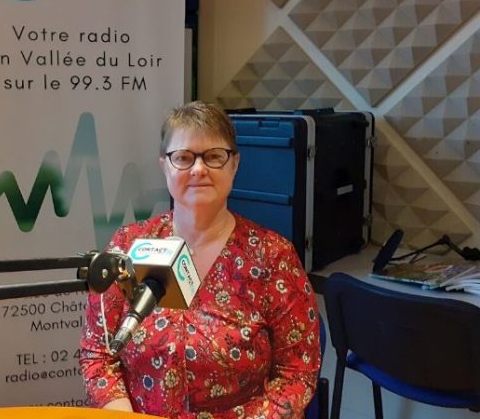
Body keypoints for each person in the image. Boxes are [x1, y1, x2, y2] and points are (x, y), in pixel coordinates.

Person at [79, 101, 321, 418]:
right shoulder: (128, 245)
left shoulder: (273, 257)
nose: (198, 169)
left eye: (214, 156)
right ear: (164, 166)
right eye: (183, 157)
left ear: (234, 165)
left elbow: (297, 373)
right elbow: (98, 353)